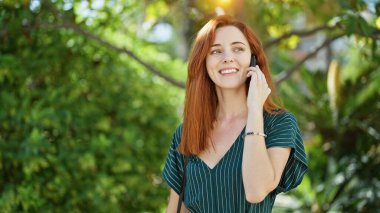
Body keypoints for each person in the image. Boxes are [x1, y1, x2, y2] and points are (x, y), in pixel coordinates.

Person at [162, 15, 308, 213]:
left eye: (238, 48)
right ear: (203, 63)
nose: (227, 57)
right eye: (216, 51)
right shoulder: (186, 133)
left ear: (253, 59)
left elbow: (256, 191)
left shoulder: (278, 123)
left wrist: (255, 109)